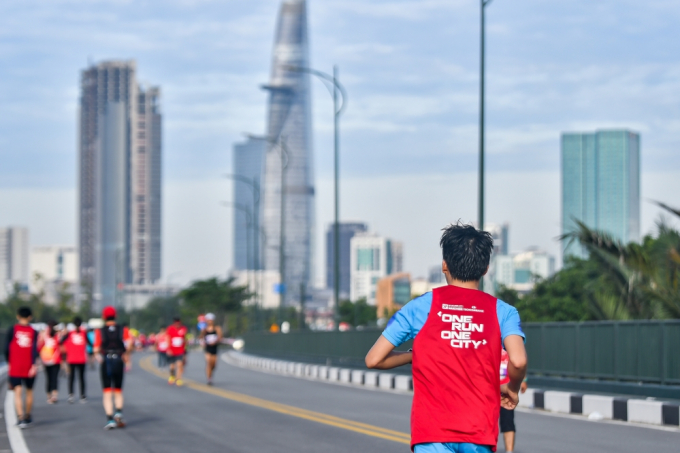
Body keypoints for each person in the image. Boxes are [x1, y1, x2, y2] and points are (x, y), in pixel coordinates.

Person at [365, 223, 528, 453]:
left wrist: (413, 356)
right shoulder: (504, 311)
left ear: (444, 265)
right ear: (485, 269)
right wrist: (513, 388)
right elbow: (519, 361)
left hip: (431, 433)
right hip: (479, 432)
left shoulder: (419, 306)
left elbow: (374, 359)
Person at [93, 306, 131, 430]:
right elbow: (129, 344)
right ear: (116, 316)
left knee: (107, 392)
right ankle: (119, 412)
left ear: (104, 317)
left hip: (107, 361)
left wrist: (99, 357)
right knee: (118, 390)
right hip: (119, 360)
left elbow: (96, 349)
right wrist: (126, 355)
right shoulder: (123, 329)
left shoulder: (100, 331)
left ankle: (110, 419)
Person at [5, 307, 38, 428]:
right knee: (29, 391)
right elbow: (35, 350)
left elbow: (6, 349)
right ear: (30, 317)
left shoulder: (12, 330)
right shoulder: (33, 332)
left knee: (17, 392)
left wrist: (9, 361)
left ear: (18, 316)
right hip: (29, 365)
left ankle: (20, 418)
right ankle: (28, 416)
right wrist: (34, 365)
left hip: (15, 365)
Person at [499, 349, 528, 452]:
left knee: (508, 421)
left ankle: (509, 451)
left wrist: (523, 379)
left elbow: (520, 360)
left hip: (507, 388)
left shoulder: (509, 339)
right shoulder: (485, 338)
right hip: (487, 389)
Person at [61, 316, 90, 403]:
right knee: (82, 378)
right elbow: (90, 342)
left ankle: (71, 395)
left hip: (72, 359)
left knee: (71, 378)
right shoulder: (83, 333)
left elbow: (61, 341)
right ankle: (82, 396)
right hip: (81, 359)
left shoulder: (70, 333)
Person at [38, 320, 62, 404]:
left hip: (49, 359)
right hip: (54, 359)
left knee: (50, 378)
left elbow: (39, 347)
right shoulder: (56, 335)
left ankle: (50, 396)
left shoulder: (45, 334)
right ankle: (53, 395)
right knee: (53, 378)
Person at [199, 313, 222, 385]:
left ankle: (211, 373)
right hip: (208, 348)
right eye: (208, 320)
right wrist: (202, 342)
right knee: (208, 362)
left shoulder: (217, 328)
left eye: (211, 320)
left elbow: (220, 337)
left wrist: (215, 341)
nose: (209, 321)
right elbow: (201, 337)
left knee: (213, 364)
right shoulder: (204, 329)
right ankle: (209, 379)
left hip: (214, 348)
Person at [166, 317, 188, 386]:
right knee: (172, 366)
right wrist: (168, 349)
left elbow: (185, 339)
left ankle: (178, 379)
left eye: (179, 322)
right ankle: (172, 376)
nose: (177, 324)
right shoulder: (170, 329)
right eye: (176, 322)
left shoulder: (183, 329)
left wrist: (185, 350)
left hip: (180, 350)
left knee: (179, 365)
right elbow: (168, 338)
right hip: (172, 350)